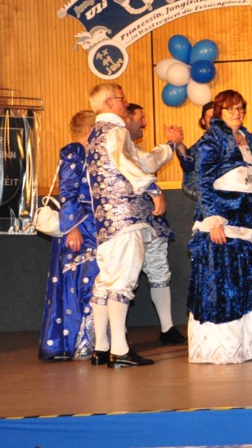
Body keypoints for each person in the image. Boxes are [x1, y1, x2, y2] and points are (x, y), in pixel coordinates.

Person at [86, 84, 183, 368]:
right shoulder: (115, 131)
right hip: (125, 217)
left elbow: (141, 160)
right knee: (122, 282)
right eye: (122, 99)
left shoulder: (96, 134)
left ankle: (101, 347)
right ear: (108, 103)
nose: (125, 104)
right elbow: (127, 164)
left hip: (106, 220)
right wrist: (153, 189)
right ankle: (120, 349)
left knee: (105, 283)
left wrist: (167, 148)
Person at [188, 89, 252, 364]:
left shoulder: (251, 140)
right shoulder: (211, 140)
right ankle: (227, 346)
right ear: (219, 111)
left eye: (240, 108)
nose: (236, 113)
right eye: (231, 108)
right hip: (226, 218)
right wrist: (213, 220)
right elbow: (203, 183)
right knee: (227, 280)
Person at [38, 110, 101, 361]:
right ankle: (81, 341)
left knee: (91, 279)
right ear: (89, 131)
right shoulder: (75, 152)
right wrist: (72, 228)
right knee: (84, 280)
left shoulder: (88, 154)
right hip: (81, 227)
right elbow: (67, 191)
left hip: (91, 225)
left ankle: (91, 339)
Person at [124, 103, 186, 345]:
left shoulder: (130, 146)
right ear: (127, 118)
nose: (145, 123)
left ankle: (167, 327)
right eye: (141, 118)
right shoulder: (121, 145)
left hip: (149, 218)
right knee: (125, 272)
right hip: (129, 219)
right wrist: (171, 143)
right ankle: (118, 333)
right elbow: (149, 162)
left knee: (159, 267)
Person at [177, 101, 215, 201]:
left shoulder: (236, 142)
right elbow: (188, 169)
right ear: (203, 121)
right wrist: (179, 144)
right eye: (211, 117)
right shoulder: (199, 148)